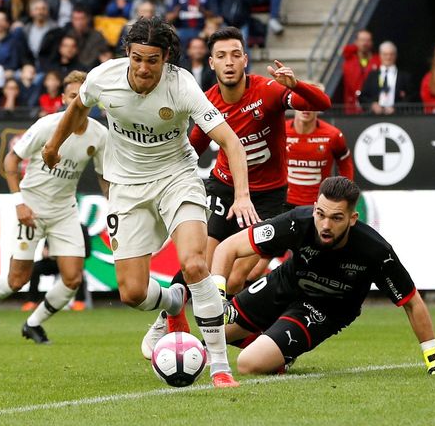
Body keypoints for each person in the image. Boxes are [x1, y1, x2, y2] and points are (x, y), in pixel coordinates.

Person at [41, 17, 257, 388]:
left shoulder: (182, 86)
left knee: (194, 264)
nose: (144, 68)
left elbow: (231, 142)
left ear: (167, 59)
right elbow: (78, 108)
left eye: (152, 61)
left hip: (177, 178)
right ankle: (173, 303)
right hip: (125, 187)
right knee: (132, 293)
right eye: (137, 59)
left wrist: (242, 195)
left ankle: (219, 366)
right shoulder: (103, 78)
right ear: (127, 53)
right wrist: (52, 145)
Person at [141, 27, 330, 343]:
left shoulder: (267, 91)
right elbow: (193, 149)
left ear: (245, 60)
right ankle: (168, 317)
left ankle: (224, 336)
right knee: (200, 260)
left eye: (235, 55)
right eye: (221, 56)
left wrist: (296, 85)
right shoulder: (207, 103)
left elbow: (320, 102)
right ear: (211, 63)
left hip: (268, 196)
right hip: (224, 189)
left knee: (242, 275)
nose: (228, 62)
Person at [213, 176, 435, 377]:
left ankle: (279, 352)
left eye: (336, 218)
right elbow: (228, 248)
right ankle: (275, 343)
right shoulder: (296, 222)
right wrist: (219, 298)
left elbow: (411, 301)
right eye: (320, 214)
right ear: (314, 209)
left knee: (248, 363)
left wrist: (434, 359)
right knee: (211, 336)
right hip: (286, 284)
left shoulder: (375, 251)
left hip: (326, 308)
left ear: (352, 219)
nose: (325, 224)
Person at [0, 70, 109, 344]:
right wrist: (19, 203)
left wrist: (115, 207)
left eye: (82, 96)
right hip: (31, 208)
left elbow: (104, 177)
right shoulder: (47, 126)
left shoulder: (99, 135)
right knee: (16, 280)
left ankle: (33, 323)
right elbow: (11, 161)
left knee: (72, 279)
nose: (77, 102)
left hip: (65, 211)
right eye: (72, 96)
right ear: (63, 98)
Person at [284, 107, 353, 210]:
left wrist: (344, 194)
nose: (306, 108)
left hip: (320, 204)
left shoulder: (333, 135)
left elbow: (345, 164)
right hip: (284, 203)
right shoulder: (280, 131)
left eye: (311, 104)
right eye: (301, 103)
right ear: (293, 105)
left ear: (318, 105)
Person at [359, 41, 413, 115]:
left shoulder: (404, 76)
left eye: (391, 54)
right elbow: (363, 97)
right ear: (380, 55)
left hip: (398, 117)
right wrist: (372, 105)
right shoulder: (372, 75)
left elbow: (411, 97)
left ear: (396, 56)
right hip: (374, 117)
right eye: (385, 54)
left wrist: (396, 108)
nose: (388, 57)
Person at [341, 29, 380, 114]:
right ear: (356, 42)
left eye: (368, 40)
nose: (365, 43)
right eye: (362, 40)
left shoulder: (378, 61)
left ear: (372, 43)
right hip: (352, 107)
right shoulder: (349, 61)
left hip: (372, 107)